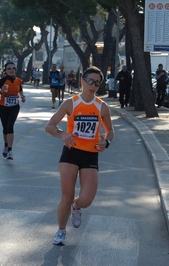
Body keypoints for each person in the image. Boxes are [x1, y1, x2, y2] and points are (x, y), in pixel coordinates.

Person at [45, 66, 115, 246]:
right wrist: (62, 134)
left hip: (91, 156)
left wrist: (106, 142)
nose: (93, 85)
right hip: (71, 153)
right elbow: (50, 125)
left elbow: (110, 131)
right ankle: (61, 231)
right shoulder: (71, 103)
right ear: (82, 81)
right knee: (66, 196)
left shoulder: (102, 107)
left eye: (97, 83)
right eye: (90, 81)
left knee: (87, 199)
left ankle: (77, 207)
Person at [0, 62, 26, 160]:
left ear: (15, 70)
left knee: (10, 127)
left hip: (14, 107)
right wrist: (1, 92)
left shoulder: (18, 81)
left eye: (13, 68)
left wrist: (22, 96)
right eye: (9, 68)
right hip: (3, 107)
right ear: (5, 70)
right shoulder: (2, 81)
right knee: (5, 129)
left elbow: (20, 90)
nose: (11, 70)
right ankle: (6, 145)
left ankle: (10, 150)